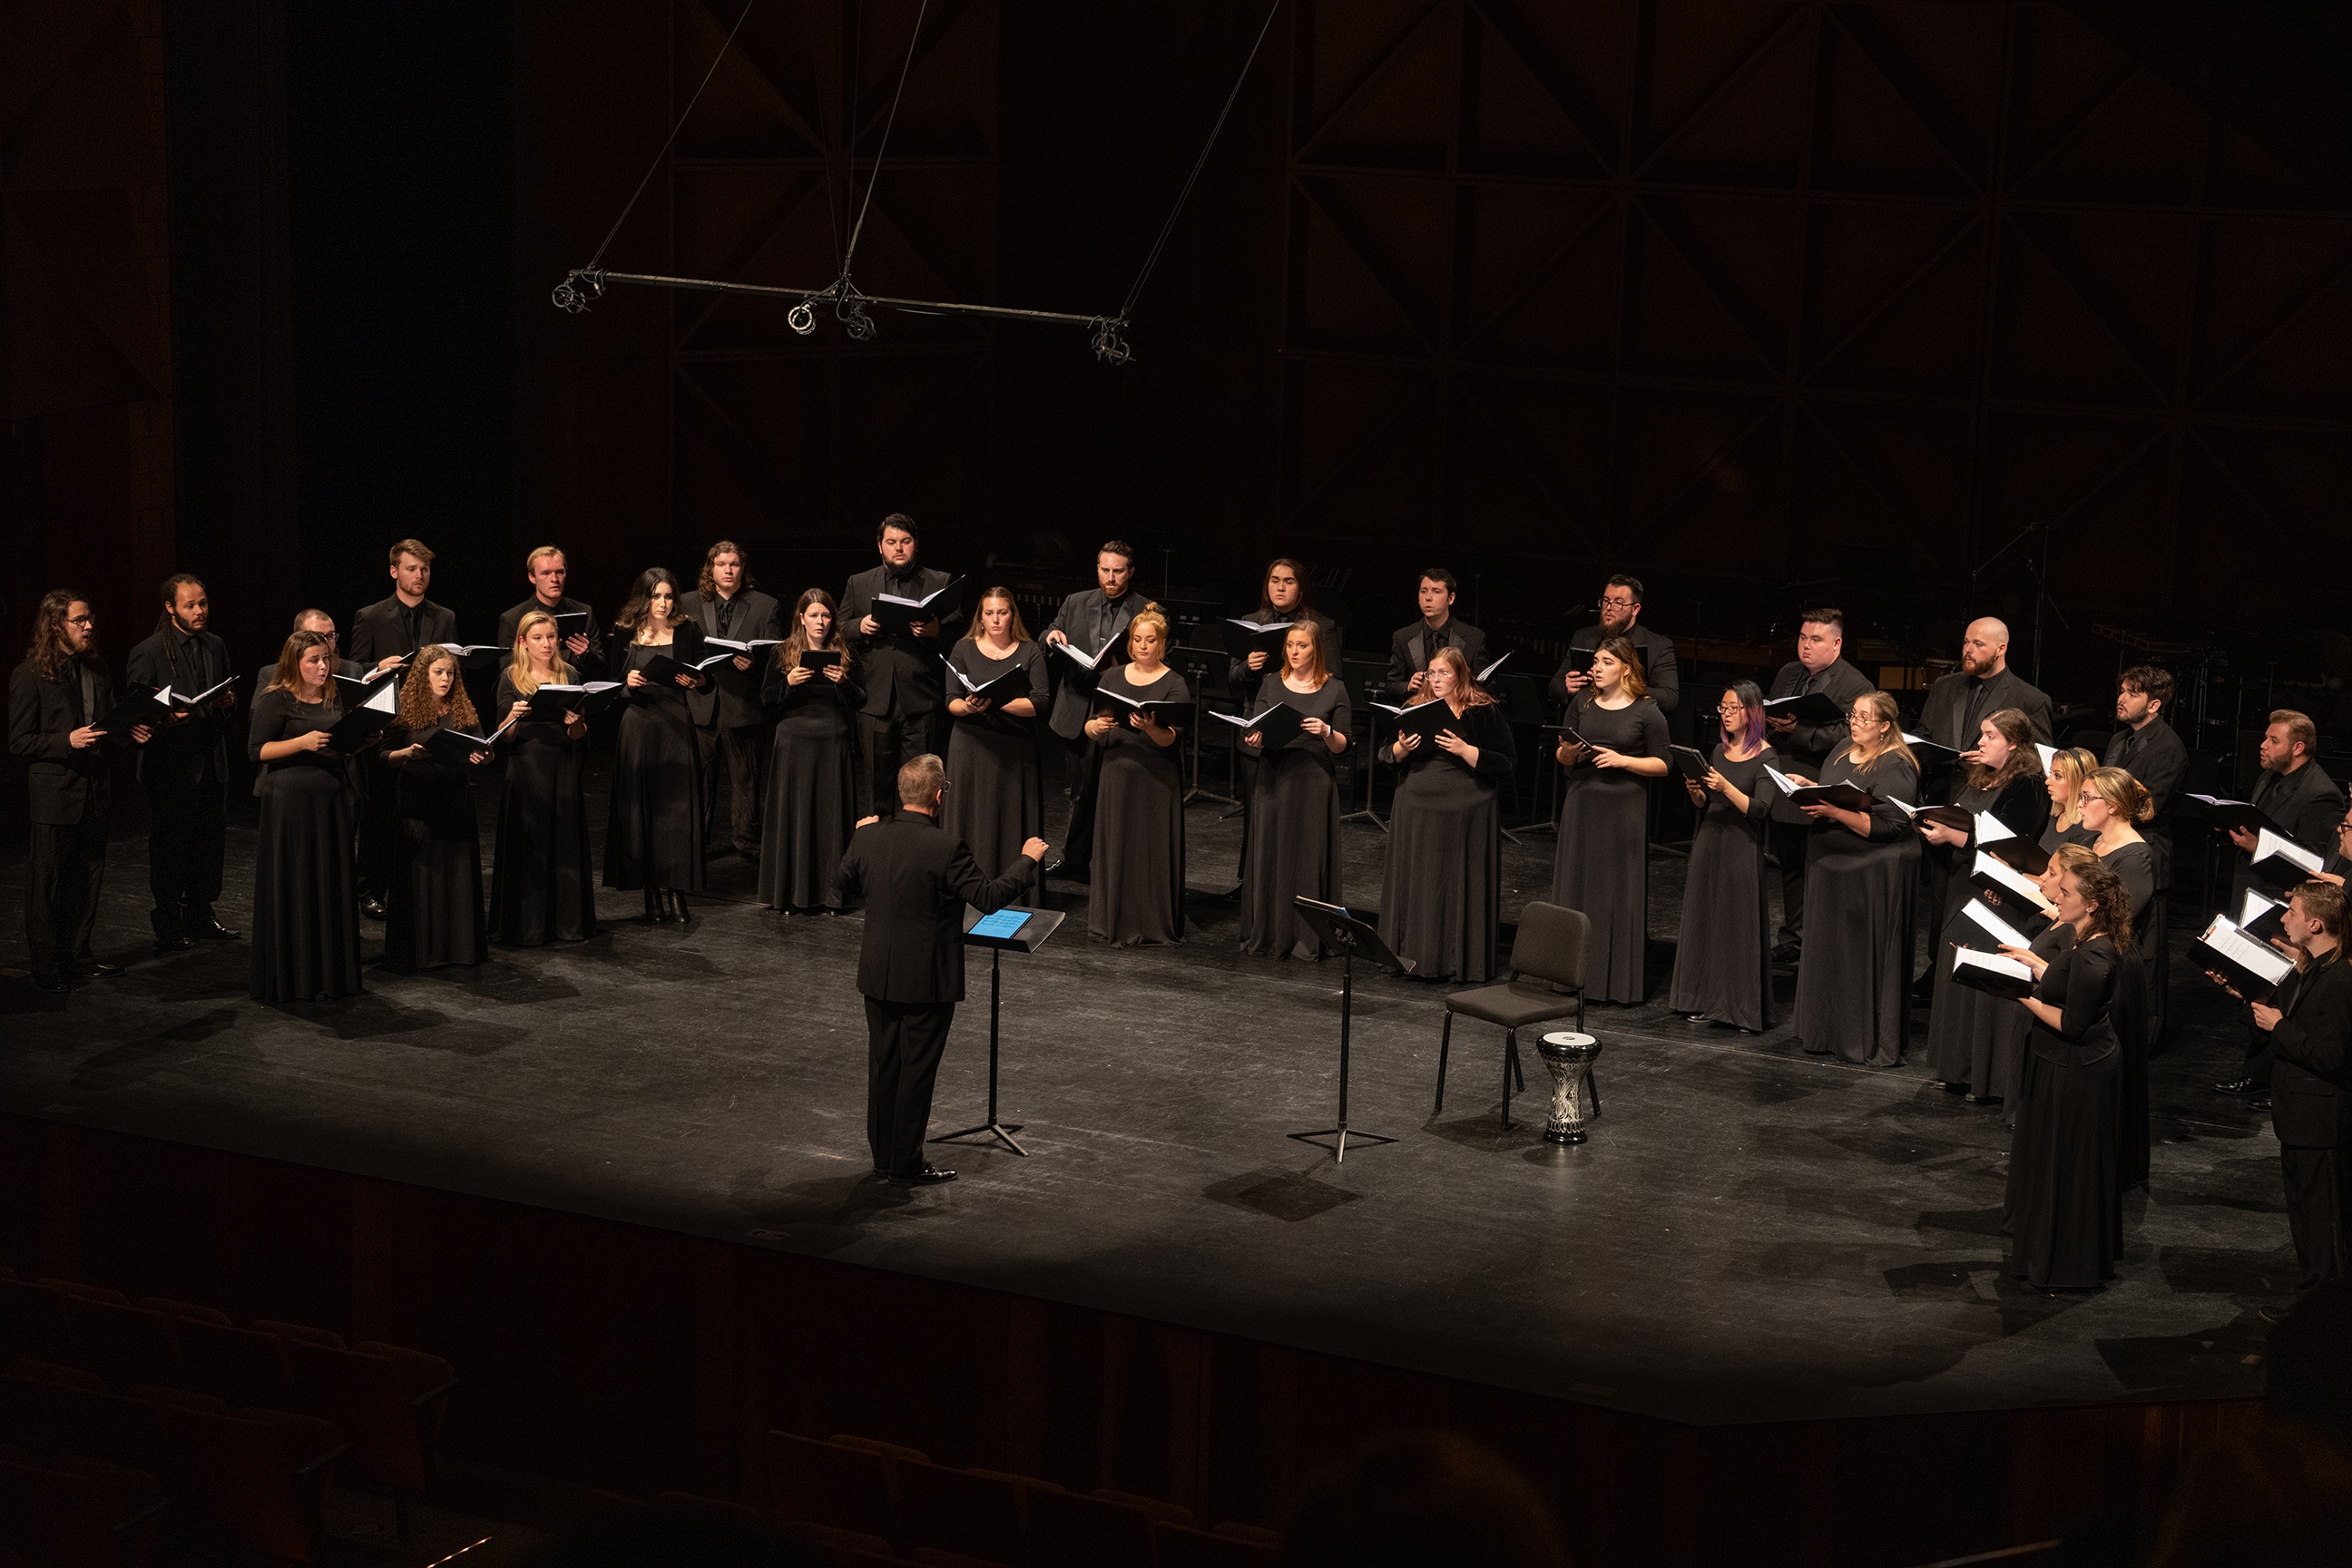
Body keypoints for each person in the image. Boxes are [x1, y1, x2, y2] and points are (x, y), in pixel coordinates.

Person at [832, 754, 1046, 1187]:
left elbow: (841, 885)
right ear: (938, 795)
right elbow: (987, 897)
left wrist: (858, 840)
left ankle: (884, 1159)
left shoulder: (868, 836)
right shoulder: (945, 848)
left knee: (884, 1067)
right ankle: (905, 1164)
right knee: (915, 1072)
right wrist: (1027, 861)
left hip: (878, 974)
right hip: (926, 982)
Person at [2001, 848, 2132, 1292]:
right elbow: (2064, 984)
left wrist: (2018, 993)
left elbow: (2074, 1024)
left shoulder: (2095, 954)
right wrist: (2037, 971)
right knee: (2054, 1159)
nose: (2058, 893)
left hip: (2077, 1067)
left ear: (2092, 904)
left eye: (2068, 891)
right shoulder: (2081, 936)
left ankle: (2067, 1263)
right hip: (2062, 1061)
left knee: (2068, 1163)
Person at [10, 591, 148, 995]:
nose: (89, 626)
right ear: (56, 626)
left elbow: (108, 721)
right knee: (48, 883)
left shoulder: (96, 668)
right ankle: (46, 965)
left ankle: (78, 954)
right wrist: (65, 741)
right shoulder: (30, 673)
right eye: (80, 620)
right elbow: (19, 740)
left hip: (94, 790)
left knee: (87, 878)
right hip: (56, 795)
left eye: (90, 619)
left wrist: (131, 731)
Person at [2223, 881, 2352, 1294]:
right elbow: (2285, 1024)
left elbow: (2330, 1057)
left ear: (2315, 924)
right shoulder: (2311, 968)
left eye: (2291, 912)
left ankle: (2327, 1312)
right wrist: (2245, 999)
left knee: (2325, 1224)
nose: (2283, 918)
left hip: (2323, 1122)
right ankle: (2313, 1304)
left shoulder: (2340, 980)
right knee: (2305, 1218)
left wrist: (2278, 1025)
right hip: (2300, 1119)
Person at [2217, 710, 2347, 1102]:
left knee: (2282, 987)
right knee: (2257, 982)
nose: (2263, 744)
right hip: (2254, 890)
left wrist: (2258, 847)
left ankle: (2272, 1077)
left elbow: (2316, 859)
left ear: (2298, 747)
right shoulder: (2268, 778)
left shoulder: (2319, 793)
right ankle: (2256, 1074)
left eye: (2273, 740)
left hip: (2287, 901)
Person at [1921, 710, 2049, 1101]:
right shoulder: (1980, 775)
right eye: (1982, 735)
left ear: (2013, 743)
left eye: (1990, 736)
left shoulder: (2027, 784)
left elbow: (2009, 845)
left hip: (1994, 890)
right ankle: (1955, 1066)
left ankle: (1981, 1073)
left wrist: (1953, 838)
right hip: (1963, 880)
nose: (1980, 742)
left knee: (1981, 969)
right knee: (1956, 964)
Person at [1790, 691, 1921, 1067]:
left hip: (1868, 864)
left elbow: (1890, 825)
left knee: (1853, 954)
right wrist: (1807, 784)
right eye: (1853, 715)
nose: (1855, 723)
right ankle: (1823, 1028)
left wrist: (1833, 810)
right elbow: (1834, 786)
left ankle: (1855, 1033)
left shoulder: (1896, 764)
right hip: (1832, 859)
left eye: (1865, 718)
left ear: (1885, 726)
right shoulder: (1843, 748)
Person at [1377, 646, 1516, 983]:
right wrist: (1400, 749)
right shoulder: (1413, 708)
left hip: (1463, 811)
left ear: (1461, 677)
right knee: (1420, 884)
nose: (1436, 679)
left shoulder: (1482, 712)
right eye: (1432, 673)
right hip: (1416, 809)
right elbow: (1384, 755)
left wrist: (1467, 751)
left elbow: (1508, 764)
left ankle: (1456, 959)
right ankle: (1410, 955)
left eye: (1444, 673)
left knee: (1451, 886)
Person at [1550, 637, 1670, 1003]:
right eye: (1596, 662)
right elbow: (1561, 755)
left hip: (1623, 810)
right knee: (1578, 883)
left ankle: (1613, 982)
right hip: (1582, 804)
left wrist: (1623, 761)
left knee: (1614, 891)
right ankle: (1568, 976)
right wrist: (1568, 753)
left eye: (1605, 662)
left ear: (1626, 669)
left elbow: (1664, 764)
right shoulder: (1581, 702)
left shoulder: (1647, 710)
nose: (1596, 668)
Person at [248, 630, 366, 1002]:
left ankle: (331, 975)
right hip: (290, 808)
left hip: (329, 805)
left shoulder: (336, 696)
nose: (322, 665)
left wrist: (363, 740)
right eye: (313, 660)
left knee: (328, 885)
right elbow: (256, 751)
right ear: (294, 663)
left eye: (325, 659)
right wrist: (301, 742)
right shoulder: (276, 699)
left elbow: (343, 743)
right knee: (295, 885)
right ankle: (292, 976)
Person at [126, 573, 239, 956]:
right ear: (170, 607)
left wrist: (227, 703)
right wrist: (166, 721)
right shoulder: (150, 651)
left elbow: (224, 697)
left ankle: (200, 911)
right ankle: (168, 918)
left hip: (209, 760)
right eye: (190, 605)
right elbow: (136, 716)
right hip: (170, 765)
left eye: (203, 603)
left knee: (209, 841)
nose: (199, 611)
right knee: (171, 843)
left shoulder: (215, 645)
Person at [348, 540, 457, 921]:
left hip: (428, 721)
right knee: (381, 808)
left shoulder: (444, 617)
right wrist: (378, 665)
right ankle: (371, 887)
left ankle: (418, 886)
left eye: (425, 569)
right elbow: (354, 667)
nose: (419, 575)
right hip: (387, 722)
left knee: (422, 805)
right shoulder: (372, 616)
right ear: (394, 571)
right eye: (412, 568)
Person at [1763, 608, 1876, 962]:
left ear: (1837, 643)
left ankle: (1816, 940)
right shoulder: (1788, 673)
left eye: (1816, 639)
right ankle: (1792, 937)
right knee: (1789, 867)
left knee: (1816, 867)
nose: (1806, 646)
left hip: (1819, 779)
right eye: (1802, 638)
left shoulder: (1856, 685)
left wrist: (1796, 731)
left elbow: (1850, 734)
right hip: (1782, 778)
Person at [1666, 682, 1779, 1032]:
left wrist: (1725, 787)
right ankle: (1703, 1001)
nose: (1727, 714)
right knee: (1706, 920)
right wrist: (1697, 792)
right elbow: (1705, 805)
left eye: (1733, 708)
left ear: (1751, 711)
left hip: (1740, 845)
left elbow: (1760, 809)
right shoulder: (1718, 751)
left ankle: (1740, 1009)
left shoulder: (1767, 756)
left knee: (1736, 925)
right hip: (1710, 840)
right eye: (1723, 708)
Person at [1238, 622, 1350, 960]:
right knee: (1272, 852)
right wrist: (1254, 737)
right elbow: (1254, 730)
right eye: (1290, 646)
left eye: (1302, 645)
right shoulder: (1271, 684)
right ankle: (1270, 933)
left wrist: (1326, 730)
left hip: (1314, 781)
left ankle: (1308, 936)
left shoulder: (1335, 689)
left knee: (1308, 856)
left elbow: (1343, 745)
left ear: (1316, 649)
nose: (1294, 652)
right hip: (1274, 778)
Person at [604, 568, 711, 924]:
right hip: (638, 727)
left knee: (677, 814)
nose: (663, 603)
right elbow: (609, 686)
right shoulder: (624, 633)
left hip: (675, 726)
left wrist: (696, 680)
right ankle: (650, 891)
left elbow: (706, 678)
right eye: (656, 596)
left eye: (668, 596)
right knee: (643, 811)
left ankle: (676, 891)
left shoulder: (687, 631)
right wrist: (628, 683)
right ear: (644, 598)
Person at [1229, 558, 1344, 877]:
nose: (1280, 587)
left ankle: (1299, 877)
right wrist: (1248, 668)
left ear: (1301, 587)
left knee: (1297, 817)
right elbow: (1233, 679)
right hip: (1261, 727)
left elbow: (1334, 676)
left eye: (1288, 581)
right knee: (1258, 812)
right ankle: (1253, 880)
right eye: (1274, 580)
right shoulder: (1252, 621)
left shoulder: (1321, 625)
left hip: (1304, 731)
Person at [378, 647, 491, 971]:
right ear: (423, 675)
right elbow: (381, 756)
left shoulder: (462, 710)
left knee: (455, 874)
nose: (445, 679)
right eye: (438, 672)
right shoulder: (406, 710)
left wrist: (484, 756)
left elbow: (484, 748)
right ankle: (421, 952)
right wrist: (406, 754)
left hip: (455, 801)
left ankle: (457, 949)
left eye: (450, 673)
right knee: (423, 875)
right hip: (418, 801)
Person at [840, 514, 961, 816]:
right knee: (876, 784)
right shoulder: (858, 582)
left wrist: (936, 632)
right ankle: (878, 851)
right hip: (874, 697)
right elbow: (839, 627)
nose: (898, 548)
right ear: (879, 546)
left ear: (915, 545)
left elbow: (961, 631)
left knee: (923, 785)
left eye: (905, 542)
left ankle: (919, 851)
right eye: (891, 542)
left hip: (921, 698)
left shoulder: (939, 580)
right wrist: (860, 626)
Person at [490, 611, 597, 946]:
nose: (547, 644)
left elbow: (581, 733)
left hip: (562, 765)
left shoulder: (571, 674)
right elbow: (503, 737)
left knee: (564, 841)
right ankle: (528, 927)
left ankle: (567, 924)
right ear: (522, 642)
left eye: (551, 637)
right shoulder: (511, 678)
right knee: (530, 843)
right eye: (538, 638)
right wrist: (513, 717)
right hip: (527, 767)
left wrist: (574, 722)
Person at [1084, 605, 1190, 946]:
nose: (1143, 646)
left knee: (1150, 851)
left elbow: (1171, 738)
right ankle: (1111, 919)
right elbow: (1089, 726)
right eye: (1138, 640)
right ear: (1130, 643)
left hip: (1156, 781)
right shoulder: (1112, 678)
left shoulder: (1175, 683)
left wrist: (1150, 727)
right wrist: (1096, 727)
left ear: (1162, 644)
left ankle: (1150, 922)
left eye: (1151, 640)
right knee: (1117, 847)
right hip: (1116, 778)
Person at [1040, 541, 1142, 883]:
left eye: (1118, 571)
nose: (1110, 578)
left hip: (1122, 707)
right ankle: (1075, 860)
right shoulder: (1075, 602)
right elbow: (1048, 635)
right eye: (1105, 570)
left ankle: (1116, 862)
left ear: (1130, 571)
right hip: (1078, 707)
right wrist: (1051, 636)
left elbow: (1160, 659)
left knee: (1119, 790)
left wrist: (1121, 666)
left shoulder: (1147, 609)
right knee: (1080, 791)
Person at [760, 589, 862, 915]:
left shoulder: (845, 652)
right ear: (801, 618)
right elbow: (765, 701)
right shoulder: (782, 653)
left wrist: (843, 683)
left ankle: (832, 895)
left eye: (826, 615)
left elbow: (861, 700)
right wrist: (788, 682)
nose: (820, 621)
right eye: (814, 615)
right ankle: (792, 894)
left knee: (830, 821)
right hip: (794, 742)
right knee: (796, 818)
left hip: (832, 742)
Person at [678, 541, 781, 859]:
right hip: (702, 702)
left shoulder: (766, 605)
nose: (728, 570)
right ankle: (698, 841)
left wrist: (755, 665)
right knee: (701, 779)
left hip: (744, 705)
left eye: (734, 564)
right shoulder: (688, 603)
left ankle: (747, 842)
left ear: (742, 568)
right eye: (721, 564)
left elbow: (778, 658)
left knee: (746, 779)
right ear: (711, 568)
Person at [944, 588, 1049, 884]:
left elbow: (1040, 702)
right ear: (980, 617)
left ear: (1012, 615)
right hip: (971, 745)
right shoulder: (963, 649)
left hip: (1014, 747)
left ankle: (1011, 886)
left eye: (1002, 612)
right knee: (971, 817)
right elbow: (951, 700)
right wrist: (967, 706)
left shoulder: (1029, 650)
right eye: (989, 613)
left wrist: (997, 701)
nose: (995, 620)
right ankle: (965, 885)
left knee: (1010, 817)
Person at [2107, 665, 2187, 1044]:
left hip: (2146, 854)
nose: (2121, 699)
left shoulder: (2168, 747)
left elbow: (2149, 805)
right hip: (2116, 848)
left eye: (2132, 693)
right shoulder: (2120, 740)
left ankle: (2145, 1036)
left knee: (2146, 950)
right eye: (2122, 690)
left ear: (2154, 704)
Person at [1552, 574, 1680, 715]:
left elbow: (1669, 698)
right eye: (1606, 601)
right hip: (1586, 720)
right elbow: (1555, 686)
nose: (1609, 608)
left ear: (1635, 609)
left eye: (1619, 603)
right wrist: (1568, 688)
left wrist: (1621, 687)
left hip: (1629, 725)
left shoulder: (1658, 646)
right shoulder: (1583, 636)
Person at [494, 545, 605, 675]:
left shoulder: (584, 611)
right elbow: (508, 672)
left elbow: (602, 668)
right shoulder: (513, 618)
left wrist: (585, 655)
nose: (554, 579)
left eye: (559, 572)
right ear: (532, 577)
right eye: (546, 573)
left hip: (576, 690)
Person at [1381, 568, 1488, 699]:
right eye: (1423, 591)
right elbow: (1391, 686)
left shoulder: (1473, 638)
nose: (1428, 598)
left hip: (1458, 714)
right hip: (1417, 715)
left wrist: (1459, 687)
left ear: (1451, 598)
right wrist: (1408, 686)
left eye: (1436, 592)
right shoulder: (1402, 637)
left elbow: (1486, 687)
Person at [2041, 745, 2098, 855]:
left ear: (2079, 782)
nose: (2048, 781)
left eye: (2057, 776)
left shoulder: (2085, 828)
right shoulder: (2056, 815)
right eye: (2050, 773)